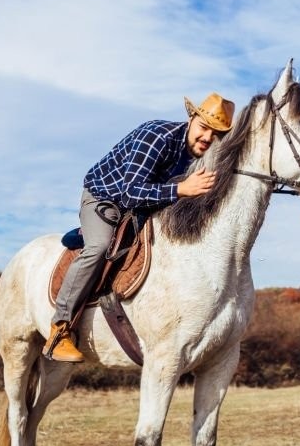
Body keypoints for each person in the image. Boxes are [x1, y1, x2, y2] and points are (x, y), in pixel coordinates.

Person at [43, 92, 235, 362]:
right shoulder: (156, 136)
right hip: (105, 197)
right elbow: (130, 193)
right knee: (99, 247)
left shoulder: (201, 156)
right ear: (191, 118)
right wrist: (181, 189)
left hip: (143, 207)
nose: (207, 138)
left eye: (216, 135)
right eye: (204, 128)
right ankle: (60, 328)